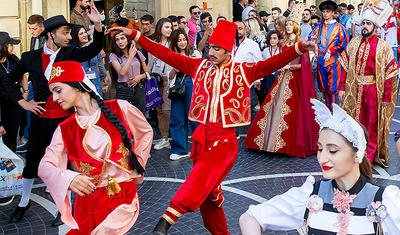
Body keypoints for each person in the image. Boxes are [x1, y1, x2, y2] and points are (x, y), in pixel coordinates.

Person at [109, 18, 317, 235]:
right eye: (210, 47)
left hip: (225, 144)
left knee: (197, 181)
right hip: (201, 140)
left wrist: (299, 47)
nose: (211, 52)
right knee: (210, 196)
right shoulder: (197, 66)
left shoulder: (243, 71)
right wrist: (135, 35)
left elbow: (271, 64)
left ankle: (165, 222)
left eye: (217, 49)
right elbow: (165, 54)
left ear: (228, 51)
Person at [3, 2, 103, 223]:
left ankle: (63, 207)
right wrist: (23, 102)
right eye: (65, 32)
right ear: (50, 34)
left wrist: (97, 26)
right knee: (33, 161)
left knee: (66, 162)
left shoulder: (70, 53)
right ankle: (23, 202)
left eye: (69, 32)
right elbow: (8, 80)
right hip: (40, 118)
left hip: (65, 119)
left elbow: (93, 49)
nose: (69, 36)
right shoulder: (29, 57)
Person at [240, 98, 400, 234]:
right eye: (320, 149)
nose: (322, 158)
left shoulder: (385, 201)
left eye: (332, 150)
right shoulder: (310, 195)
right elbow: (249, 217)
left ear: (357, 155)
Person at [38, 61, 152, 234]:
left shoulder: (120, 107)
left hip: (121, 197)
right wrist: (69, 178)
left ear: (77, 86)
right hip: (87, 204)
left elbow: (145, 132)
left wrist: (136, 165)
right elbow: (44, 167)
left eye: (58, 90)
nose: (54, 98)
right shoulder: (64, 129)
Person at [244, 5, 318, 158]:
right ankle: (269, 142)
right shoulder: (283, 43)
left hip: (294, 80)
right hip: (281, 78)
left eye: (292, 24)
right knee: (273, 106)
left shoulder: (301, 43)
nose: (289, 26)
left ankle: (289, 144)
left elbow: (304, 65)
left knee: (292, 111)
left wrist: (289, 66)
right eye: (288, 24)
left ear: (296, 26)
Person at [338, 0, 398, 167]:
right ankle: (353, 151)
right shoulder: (353, 43)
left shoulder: (384, 47)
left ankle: (369, 155)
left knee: (370, 124)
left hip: (373, 91)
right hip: (353, 89)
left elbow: (390, 74)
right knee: (352, 123)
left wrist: (386, 97)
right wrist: (342, 88)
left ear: (375, 26)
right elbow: (344, 67)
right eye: (362, 23)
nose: (364, 26)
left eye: (368, 23)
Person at [308, 0, 348, 110]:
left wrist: (331, 50)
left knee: (333, 89)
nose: (325, 13)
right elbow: (311, 39)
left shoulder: (340, 27)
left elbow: (343, 44)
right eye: (324, 11)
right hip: (321, 61)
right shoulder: (318, 27)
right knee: (324, 88)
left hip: (334, 62)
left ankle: (334, 113)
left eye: (328, 11)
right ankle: (328, 111)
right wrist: (316, 50)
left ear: (332, 12)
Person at [168, 29, 197, 161]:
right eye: (179, 40)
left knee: (194, 117)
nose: (182, 42)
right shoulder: (170, 55)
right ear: (175, 42)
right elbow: (169, 75)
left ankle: (200, 147)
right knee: (177, 117)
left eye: (184, 39)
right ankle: (180, 149)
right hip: (178, 85)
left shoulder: (194, 53)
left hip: (192, 83)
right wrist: (175, 67)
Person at [149, 18, 173, 150]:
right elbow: (149, 63)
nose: (169, 30)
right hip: (156, 78)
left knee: (166, 109)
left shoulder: (173, 43)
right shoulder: (153, 43)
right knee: (159, 110)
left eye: (170, 27)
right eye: (166, 27)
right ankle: (164, 138)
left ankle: (173, 135)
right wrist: (148, 76)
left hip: (168, 79)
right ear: (160, 28)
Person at [109, 32, 148, 115]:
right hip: (123, 89)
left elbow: (147, 73)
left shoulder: (138, 54)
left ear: (128, 39)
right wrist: (130, 56)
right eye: (117, 40)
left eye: (122, 38)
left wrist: (140, 77)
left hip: (139, 89)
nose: (120, 42)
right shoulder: (113, 56)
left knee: (140, 117)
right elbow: (122, 72)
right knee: (124, 117)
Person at [0, 32, 25, 153]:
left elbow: (22, 76)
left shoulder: (13, 60)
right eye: (10, 44)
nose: (13, 47)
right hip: (2, 106)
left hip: (15, 103)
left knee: (12, 137)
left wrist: (25, 91)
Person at [70, 25, 105, 97]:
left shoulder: (93, 49)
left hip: (95, 81)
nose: (84, 35)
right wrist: (91, 42)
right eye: (81, 34)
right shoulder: (74, 51)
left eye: (85, 32)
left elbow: (96, 65)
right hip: (82, 82)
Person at [260, 30, 282, 97]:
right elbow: (263, 63)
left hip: (277, 75)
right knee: (268, 95)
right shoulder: (266, 50)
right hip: (268, 76)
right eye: (271, 38)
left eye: (274, 38)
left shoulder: (280, 50)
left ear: (278, 40)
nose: (272, 40)